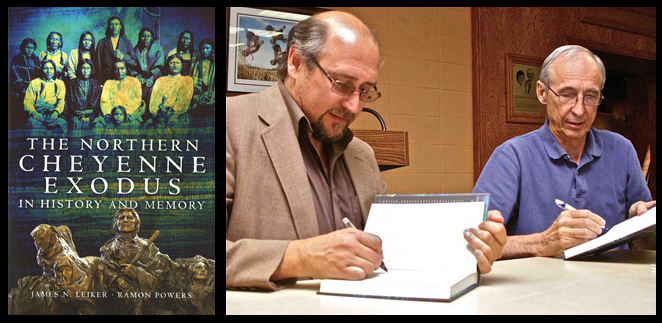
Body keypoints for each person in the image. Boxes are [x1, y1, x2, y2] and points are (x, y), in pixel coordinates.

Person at [226, 11, 506, 291]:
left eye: (366, 91)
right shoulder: (225, 125)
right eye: (342, 84)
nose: (355, 106)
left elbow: (390, 251)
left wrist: (467, 252)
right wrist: (300, 257)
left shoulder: (361, 154)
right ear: (296, 63)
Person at [473, 45, 655, 259]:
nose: (579, 110)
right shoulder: (512, 156)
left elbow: (647, 242)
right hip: (542, 290)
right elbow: (472, 241)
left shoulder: (621, 150)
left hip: (614, 287)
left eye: (590, 96)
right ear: (542, 92)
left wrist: (641, 224)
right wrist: (542, 242)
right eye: (567, 95)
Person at [24, 59, 67, 135]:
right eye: (46, 68)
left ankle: (59, 146)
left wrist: (56, 112)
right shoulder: (34, 83)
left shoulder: (60, 83)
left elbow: (61, 101)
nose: (48, 71)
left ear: (54, 70)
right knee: (32, 123)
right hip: (38, 112)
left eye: (51, 68)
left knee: (61, 123)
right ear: (41, 69)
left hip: (53, 112)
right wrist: (34, 113)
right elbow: (28, 101)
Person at [99, 60, 143, 125]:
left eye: (122, 69)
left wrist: (127, 113)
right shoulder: (108, 83)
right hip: (112, 115)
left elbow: (136, 101)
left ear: (126, 69)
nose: (119, 72)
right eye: (116, 69)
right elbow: (104, 101)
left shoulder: (134, 81)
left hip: (130, 114)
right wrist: (108, 113)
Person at [96, 16, 138, 84]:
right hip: (106, 79)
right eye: (111, 24)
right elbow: (98, 63)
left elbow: (134, 62)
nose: (114, 26)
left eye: (116, 24)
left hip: (123, 79)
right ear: (108, 26)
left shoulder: (127, 43)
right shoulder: (102, 42)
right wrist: (101, 81)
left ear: (120, 26)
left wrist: (122, 56)